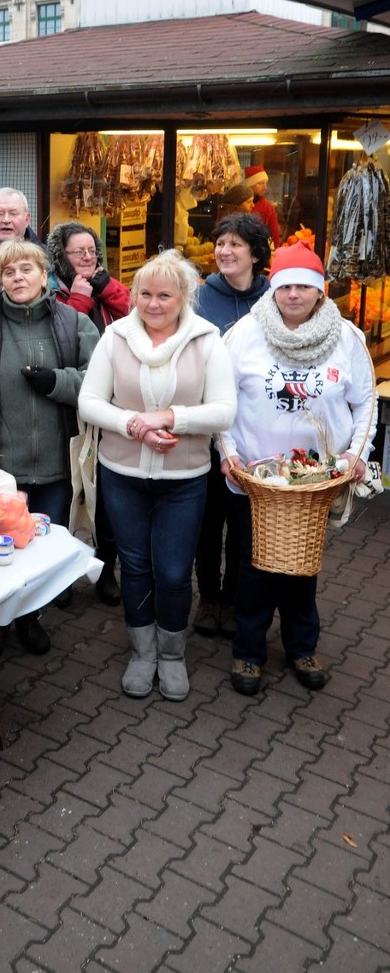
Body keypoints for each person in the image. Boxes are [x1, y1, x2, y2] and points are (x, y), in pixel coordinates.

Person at [78, 250, 237, 702]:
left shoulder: (207, 340)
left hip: (184, 480)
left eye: (164, 294)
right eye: (144, 293)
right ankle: (142, 651)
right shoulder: (116, 337)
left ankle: (171, 653)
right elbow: (90, 401)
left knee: (170, 571)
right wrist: (134, 425)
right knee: (136, 566)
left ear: (184, 296)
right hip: (123, 473)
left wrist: (169, 417)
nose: (153, 303)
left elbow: (224, 411)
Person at [218, 241, 376, 697]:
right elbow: (222, 401)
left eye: (304, 287)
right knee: (254, 568)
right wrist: (229, 455)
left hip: (313, 482)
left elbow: (365, 401)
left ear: (320, 292)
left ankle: (301, 646)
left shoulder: (346, 338)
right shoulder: (244, 334)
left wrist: (355, 455)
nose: (293, 295)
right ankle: (248, 653)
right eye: (285, 286)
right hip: (258, 481)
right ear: (273, 288)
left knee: (302, 568)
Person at [0, 238, 99, 657]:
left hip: (56, 463)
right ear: (1, 280)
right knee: (0, 548)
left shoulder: (74, 323)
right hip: (2, 470)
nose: (18, 278)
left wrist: (57, 382)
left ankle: (30, 617)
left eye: (27, 270)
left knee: (39, 551)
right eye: (9, 272)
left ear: (44, 275)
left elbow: (99, 379)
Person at [193, 213, 272, 638]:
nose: (224, 251)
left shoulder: (274, 299)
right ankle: (209, 598)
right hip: (209, 431)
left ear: (256, 253)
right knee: (209, 520)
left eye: (235, 245)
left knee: (246, 525)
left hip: (258, 433)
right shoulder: (202, 297)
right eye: (220, 243)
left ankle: (236, 595)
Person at [46, 220, 131, 606]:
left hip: (114, 407)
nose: (86, 258)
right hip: (72, 407)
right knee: (73, 492)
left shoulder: (106, 289)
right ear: (60, 258)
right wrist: (79, 300)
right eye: (77, 252)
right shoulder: (52, 292)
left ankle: (106, 567)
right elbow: (57, 343)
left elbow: (133, 310)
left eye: (91, 251)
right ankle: (62, 573)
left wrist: (105, 287)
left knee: (108, 495)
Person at [244, 165, 281, 247]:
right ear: (250, 184)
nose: (265, 187)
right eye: (260, 183)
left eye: (265, 183)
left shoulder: (268, 208)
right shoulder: (239, 204)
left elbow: (275, 234)